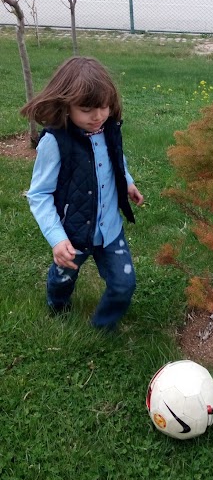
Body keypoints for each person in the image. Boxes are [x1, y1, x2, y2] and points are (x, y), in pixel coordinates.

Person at [21, 56, 144, 330]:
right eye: (87, 109)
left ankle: (102, 328)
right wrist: (56, 238)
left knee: (124, 284)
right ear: (66, 106)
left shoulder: (109, 130)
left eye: (103, 107)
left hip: (110, 230)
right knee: (63, 278)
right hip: (72, 234)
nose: (98, 116)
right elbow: (39, 194)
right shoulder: (55, 142)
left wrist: (127, 182)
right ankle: (57, 305)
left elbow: (116, 159)